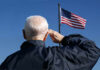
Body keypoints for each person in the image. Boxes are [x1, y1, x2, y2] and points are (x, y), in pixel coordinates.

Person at [0, 15, 100, 70]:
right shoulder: (56, 56)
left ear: (24, 34)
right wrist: (64, 39)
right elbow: (92, 50)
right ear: (46, 35)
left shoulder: (9, 62)